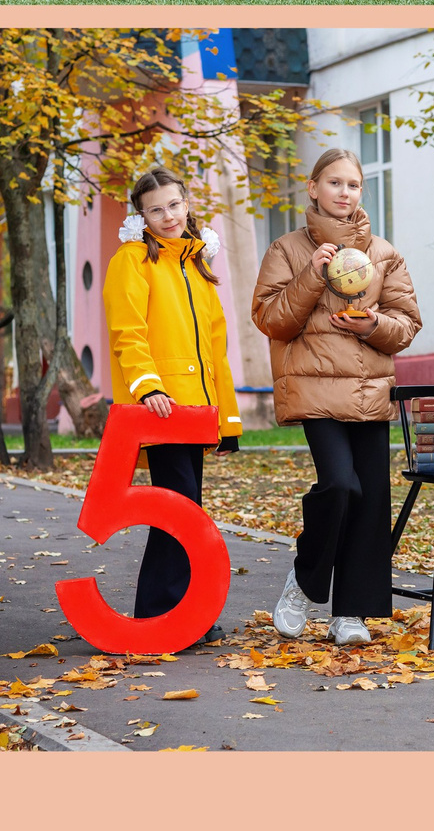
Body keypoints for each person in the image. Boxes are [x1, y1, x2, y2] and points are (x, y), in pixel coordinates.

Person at [252, 148, 418, 645]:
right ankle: (302, 584)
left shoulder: (383, 254)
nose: (344, 193)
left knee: (370, 503)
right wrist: (312, 275)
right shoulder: (287, 249)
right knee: (341, 487)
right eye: (335, 183)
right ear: (313, 188)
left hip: (369, 390)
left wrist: (373, 325)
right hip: (315, 389)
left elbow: (407, 325)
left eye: (353, 185)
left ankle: (351, 612)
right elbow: (270, 320)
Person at [100, 168, 243, 646]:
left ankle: (176, 614)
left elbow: (214, 348)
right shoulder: (131, 261)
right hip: (161, 409)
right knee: (179, 512)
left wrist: (227, 417)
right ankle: (164, 614)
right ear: (140, 214)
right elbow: (128, 333)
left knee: (187, 512)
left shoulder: (197, 264)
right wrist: (148, 389)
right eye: (155, 209)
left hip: (198, 410)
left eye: (174, 205)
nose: (167, 216)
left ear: (187, 204)